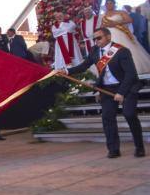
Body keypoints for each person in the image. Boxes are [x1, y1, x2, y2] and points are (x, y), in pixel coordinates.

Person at [61, 27, 145, 158]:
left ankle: (139, 147)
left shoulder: (122, 51)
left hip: (126, 87)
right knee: (107, 118)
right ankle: (113, 149)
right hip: (106, 88)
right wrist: (67, 71)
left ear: (108, 37)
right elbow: (84, 66)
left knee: (129, 115)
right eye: (94, 39)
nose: (96, 41)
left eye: (99, 38)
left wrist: (121, 93)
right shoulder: (94, 51)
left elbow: (130, 74)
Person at [102, 0, 150, 74]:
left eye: (111, 3)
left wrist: (115, 23)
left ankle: (132, 69)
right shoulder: (103, 15)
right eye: (107, 3)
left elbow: (130, 20)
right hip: (108, 36)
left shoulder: (121, 12)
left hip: (120, 34)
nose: (109, 5)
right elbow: (102, 26)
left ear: (114, 4)